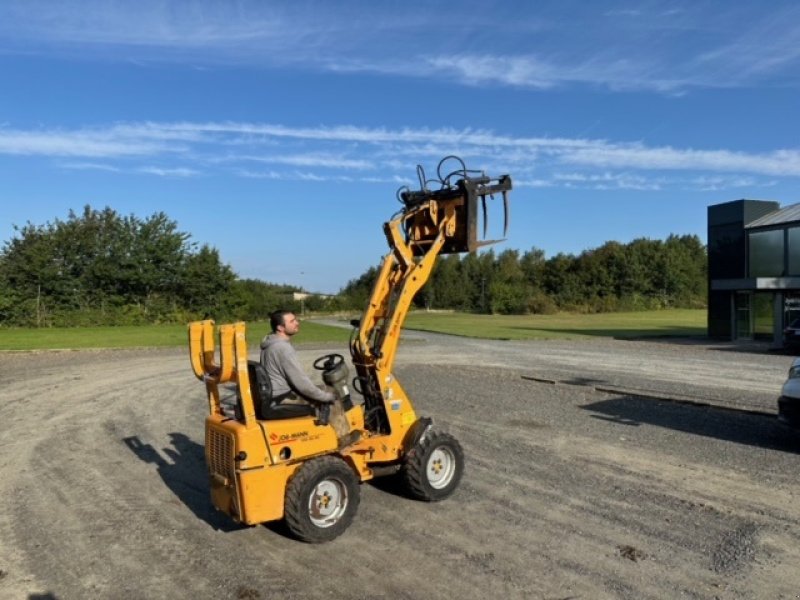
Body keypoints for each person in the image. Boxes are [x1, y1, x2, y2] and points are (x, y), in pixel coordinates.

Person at [260, 309, 359, 448]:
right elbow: (302, 385)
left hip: (274, 394)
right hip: (282, 397)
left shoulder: (269, 344)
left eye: (296, 319)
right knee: (332, 395)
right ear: (280, 327)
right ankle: (343, 437)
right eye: (292, 321)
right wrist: (326, 397)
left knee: (323, 389)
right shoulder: (283, 348)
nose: (297, 323)